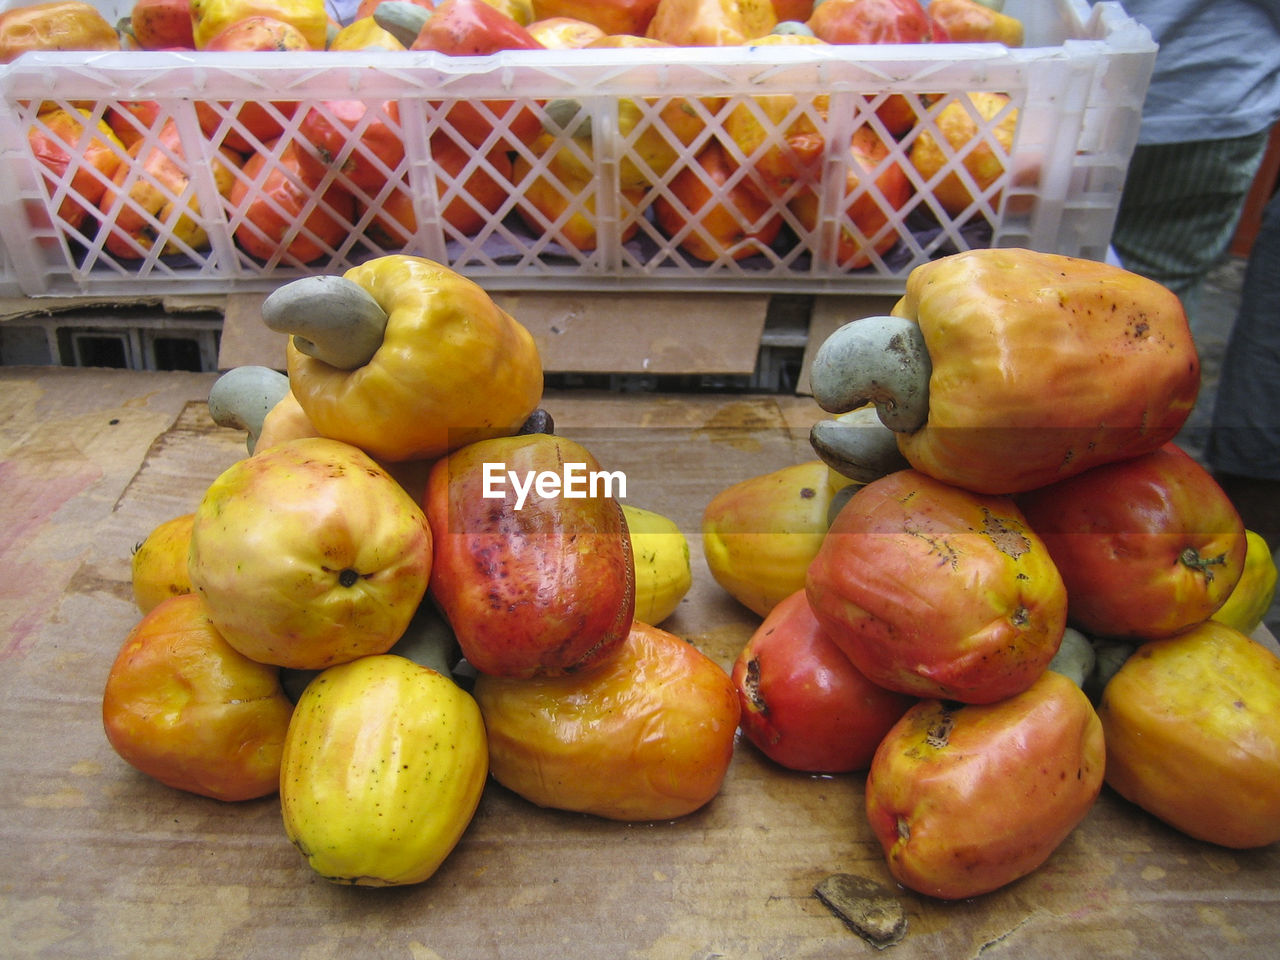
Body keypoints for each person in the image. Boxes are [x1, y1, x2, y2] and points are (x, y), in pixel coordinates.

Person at [1102, 1, 1280, 574]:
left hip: (1078, 93)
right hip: (1206, 86)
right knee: (1155, 317)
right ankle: (1126, 502)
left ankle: (1121, 514)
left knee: (1127, 323)